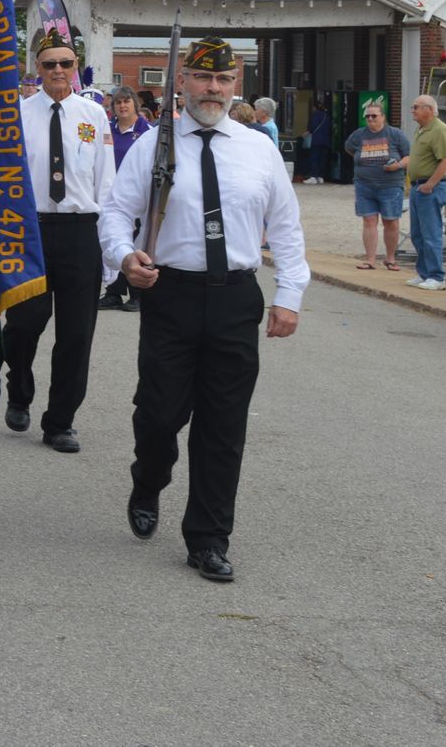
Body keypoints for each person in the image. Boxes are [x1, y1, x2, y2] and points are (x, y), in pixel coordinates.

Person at [102, 36, 308, 584]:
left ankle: (209, 538)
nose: (212, 89)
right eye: (201, 77)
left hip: (235, 296)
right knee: (159, 414)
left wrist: (290, 294)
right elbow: (116, 214)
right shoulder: (152, 145)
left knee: (223, 425)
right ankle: (149, 480)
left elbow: (286, 227)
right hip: (170, 292)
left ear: (234, 83)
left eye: (222, 80)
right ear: (183, 82)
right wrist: (125, 258)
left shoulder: (258, 148)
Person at [3, 29, 116, 454]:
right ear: (36, 67)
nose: (57, 71)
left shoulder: (93, 116)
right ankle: (19, 385)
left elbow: (106, 180)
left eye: (65, 64)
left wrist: (108, 242)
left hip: (79, 228)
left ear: (76, 68)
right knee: (23, 324)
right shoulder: (15, 113)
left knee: (76, 334)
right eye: (49, 64)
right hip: (29, 230)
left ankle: (60, 421)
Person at [99, 85, 150, 311]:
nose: (122, 106)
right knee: (114, 239)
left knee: (137, 243)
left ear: (135, 105)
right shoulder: (108, 130)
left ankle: (137, 294)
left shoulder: (147, 131)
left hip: (137, 196)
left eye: (126, 102)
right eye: (118, 103)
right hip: (112, 195)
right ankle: (114, 291)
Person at [343, 101, 409, 271]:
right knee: (369, 220)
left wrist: (398, 166)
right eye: (367, 116)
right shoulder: (358, 135)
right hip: (364, 185)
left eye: (374, 116)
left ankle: (390, 259)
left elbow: (409, 156)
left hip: (390, 185)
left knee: (391, 221)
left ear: (383, 117)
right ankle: (370, 259)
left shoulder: (395, 134)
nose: (370, 119)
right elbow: (350, 149)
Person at [405, 95, 446, 290]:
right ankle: (424, 272)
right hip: (419, 186)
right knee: (417, 233)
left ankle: (436, 276)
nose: (413, 110)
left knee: (431, 233)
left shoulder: (439, 129)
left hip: (429, 187)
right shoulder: (421, 129)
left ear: (429, 109)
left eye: (416, 107)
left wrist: (431, 183)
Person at [301, 92, 332, 184]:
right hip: (326, 140)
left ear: (314, 107)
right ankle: (320, 177)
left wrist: (307, 132)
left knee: (314, 158)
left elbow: (312, 127)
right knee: (322, 159)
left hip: (316, 140)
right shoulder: (327, 116)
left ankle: (314, 176)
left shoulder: (315, 115)